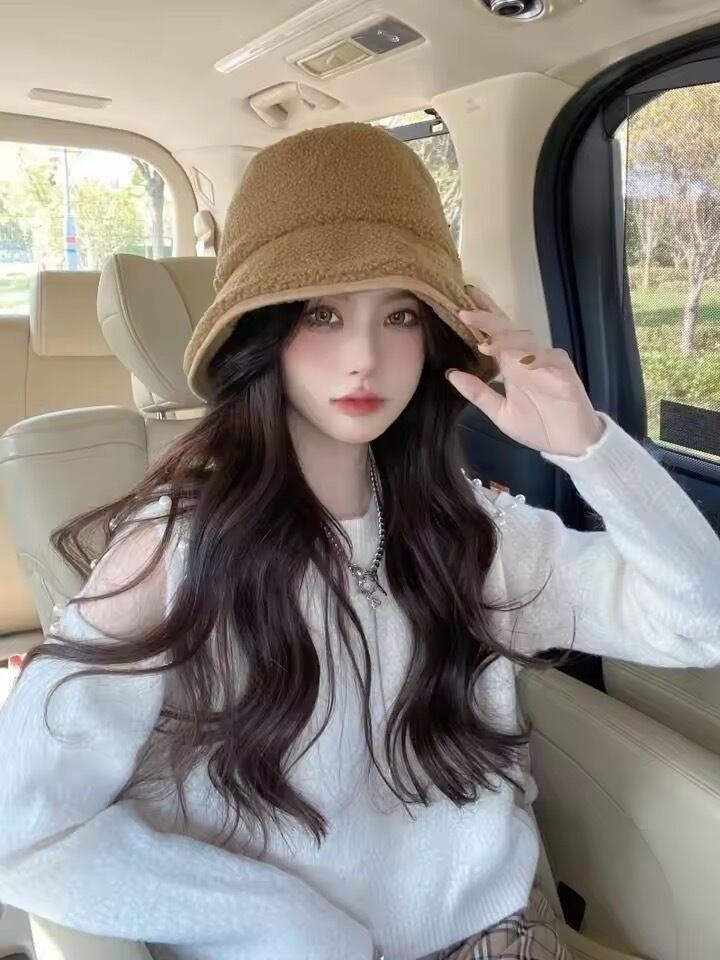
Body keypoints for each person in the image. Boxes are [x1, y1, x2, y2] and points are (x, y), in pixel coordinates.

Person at [1, 122, 719, 960]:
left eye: (401, 314)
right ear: (261, 331)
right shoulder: (174, 551)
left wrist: (587, 446)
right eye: (322, 313)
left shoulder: (468, 528)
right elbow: (25, 825)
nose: (365, 358)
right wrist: (282, 924)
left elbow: (697, 623)